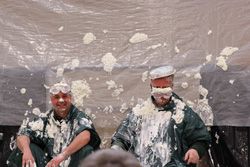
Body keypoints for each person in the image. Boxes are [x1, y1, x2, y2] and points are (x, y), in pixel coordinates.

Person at [111, 65, 211, 167]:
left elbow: (201, 139)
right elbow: (122, 138)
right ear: (151, 87)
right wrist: (116, 149)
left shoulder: (183, 114)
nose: (161, 94)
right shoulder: (139, 114)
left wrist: (196, 150)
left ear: (171, 87)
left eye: (165, 88)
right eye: (157, 88)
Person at [7, 82, 101, 167]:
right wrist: (26, 151)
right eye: (56, 97)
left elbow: (85, 135)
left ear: (70, 98)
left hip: (72, 163)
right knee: (25, 148)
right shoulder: (45, 119)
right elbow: (22, 134)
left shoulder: (79, 116)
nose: (61, 100)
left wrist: (63, 155)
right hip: (50, 164)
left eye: (64, 96)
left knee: (87, 150)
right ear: (51, 100)